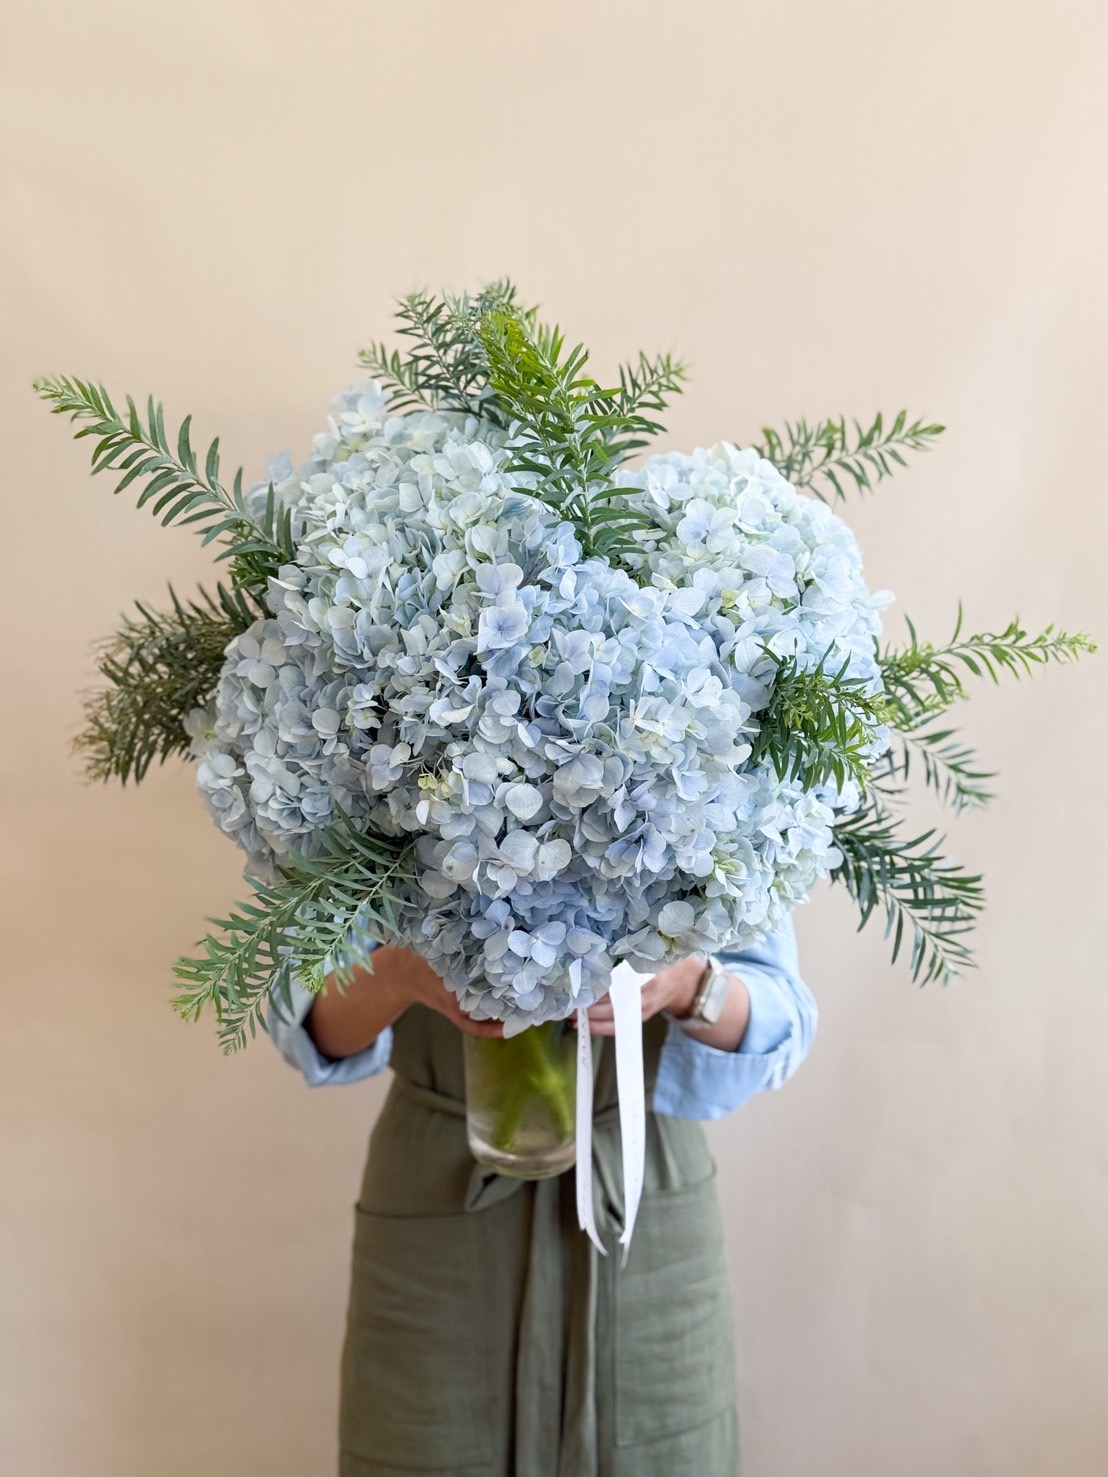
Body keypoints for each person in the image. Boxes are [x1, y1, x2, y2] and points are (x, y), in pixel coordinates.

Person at [271, 917, 816, 1477]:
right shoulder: (360, 825)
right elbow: (306, 1023)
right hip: (440, 1192)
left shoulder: (729, 831)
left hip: (638, 1187)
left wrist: (684, 984)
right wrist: (400, 973)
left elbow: (783, 1019)